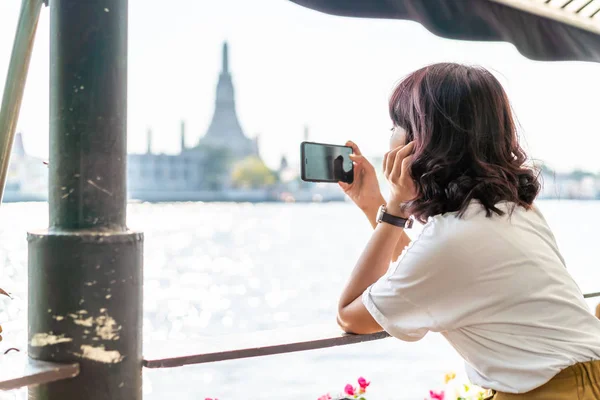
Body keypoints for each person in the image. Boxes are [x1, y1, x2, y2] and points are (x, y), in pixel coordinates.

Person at [336, 63, 600, 399]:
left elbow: (350, 315)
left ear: (418, 142)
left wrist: (394, 208)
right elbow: (428, 272)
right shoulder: (516, 211)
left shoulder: (451, 240)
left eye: (395, 126)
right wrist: (374, 203)